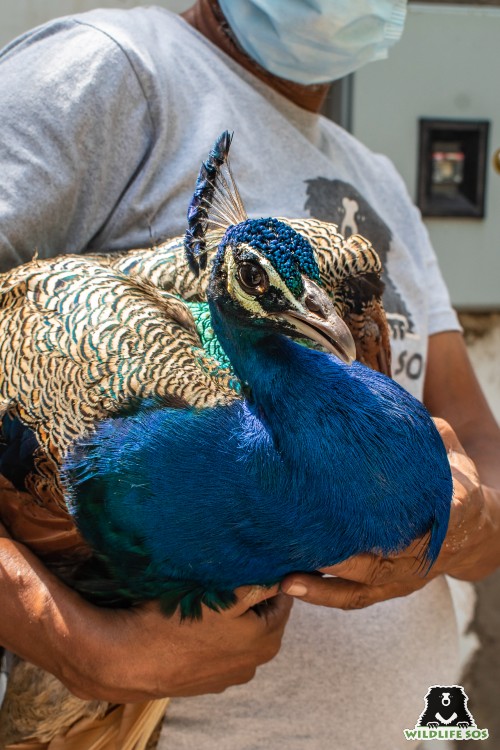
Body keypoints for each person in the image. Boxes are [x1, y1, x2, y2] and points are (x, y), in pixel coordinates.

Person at [0, 0, 499, 748]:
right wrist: (69, 637)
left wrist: (464, 530)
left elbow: (478, 440)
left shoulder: (375, 175)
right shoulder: (105, 69)